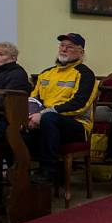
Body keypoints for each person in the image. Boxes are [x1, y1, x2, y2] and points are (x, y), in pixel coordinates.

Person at [24, 33, 96, 185]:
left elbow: (79, 104)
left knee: (50, 119)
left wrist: (42, 114)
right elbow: (33, 98)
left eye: (69, 47)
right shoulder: (46, 73)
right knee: (13, 127)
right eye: (62, 46)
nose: (64, 50)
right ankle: (19, 170)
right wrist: (30, 115)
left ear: (81, 52)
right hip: (46, 121)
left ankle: (49, 172)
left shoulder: (85, 74)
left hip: (76, 125)